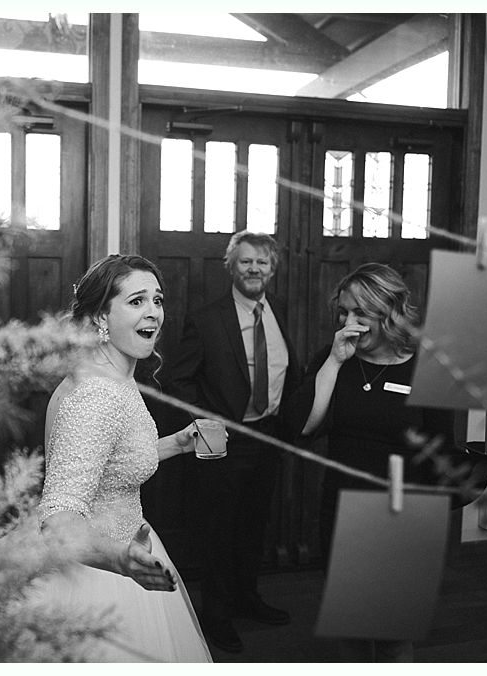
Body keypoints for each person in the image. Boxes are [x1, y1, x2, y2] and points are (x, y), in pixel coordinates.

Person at [293, 262, 477, 662]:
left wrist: (477, 475)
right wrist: (335, 361)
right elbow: (306, 426)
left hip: (401, 514)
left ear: (389, 313)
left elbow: (442, 450)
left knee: (393, 636)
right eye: (343, 311)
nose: (349, 322)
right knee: (352, 632)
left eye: (361, 313)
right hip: (341, 509)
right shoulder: (333, 357)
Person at [35, 254, 212, 662]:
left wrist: (176, 444)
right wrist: (121, 561)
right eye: (136, 301)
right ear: (101, 316)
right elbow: (59, 522)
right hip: (98, 579)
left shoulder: (116, 376)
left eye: (157, 300)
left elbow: (111, 462)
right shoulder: (97, 396)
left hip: (128, 546)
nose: (153, 312)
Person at [167, 231, 301, 654]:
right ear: (231, 267)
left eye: (262, 262)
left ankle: (247, 599)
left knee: (253, 526)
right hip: (223, 442)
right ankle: (217, 616)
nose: (254, 269)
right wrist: (205, 428)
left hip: (268, 437)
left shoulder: (278, 311)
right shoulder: (207, 319)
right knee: (219, 532)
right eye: (246, 262)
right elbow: (177, 381)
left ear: (273, 268)